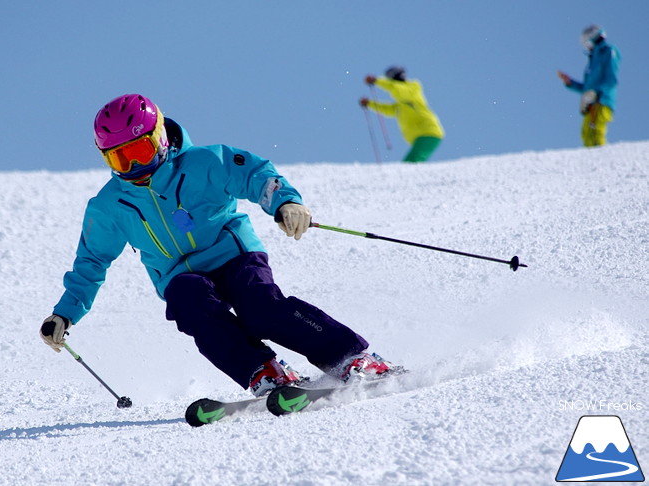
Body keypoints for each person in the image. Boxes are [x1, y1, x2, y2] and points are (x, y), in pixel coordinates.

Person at [39, 94, 395, 397]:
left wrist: (286, 202)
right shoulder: (109, 205)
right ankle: (263, 371)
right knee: (191, 306)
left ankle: (350, 357)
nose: (135, 166)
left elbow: (256, 175)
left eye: (141, 151)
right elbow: (91, 262)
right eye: (120, 158)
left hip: (234, 253)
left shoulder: (204, 163)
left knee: (260, 307)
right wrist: (65, 313)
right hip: (179, 275)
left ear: (161, 138)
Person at [360, 66, 444, 163]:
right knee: (410, 162)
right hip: (420, 137)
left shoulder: (413, 88)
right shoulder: (400, 106)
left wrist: (377, 81)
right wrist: (369, 103)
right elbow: (386, 109)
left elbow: (397, 89)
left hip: (429, 132)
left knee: (411, 163)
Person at [557, 24, 621, 147]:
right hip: (590, 102)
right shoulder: (592, 60)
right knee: (586, 133)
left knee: (597, 130)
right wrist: (570, 83)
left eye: (587, 44)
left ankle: (604, 161)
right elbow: (587, 88)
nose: (588, 48)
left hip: (602, 100)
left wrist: (598, 93)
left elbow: (611, 79)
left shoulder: (608, 51)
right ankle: (590, 163)